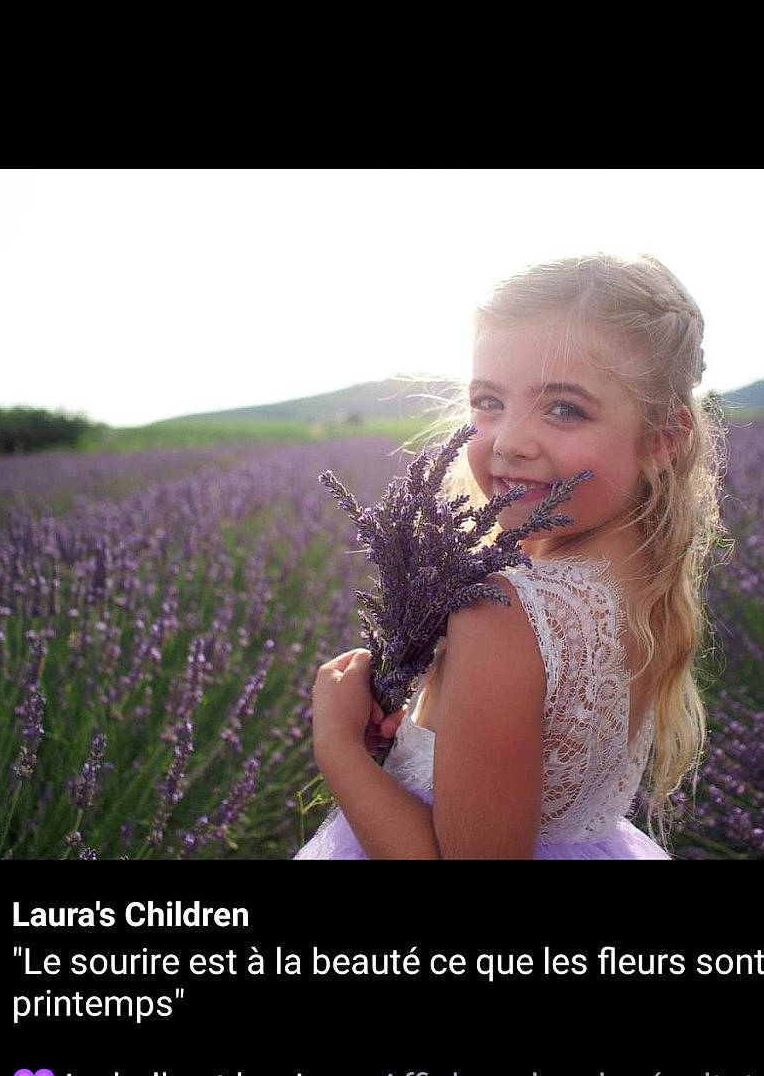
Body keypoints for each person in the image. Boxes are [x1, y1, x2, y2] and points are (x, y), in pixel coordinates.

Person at [295, 252, 728, 860]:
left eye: (564, 408)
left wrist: (337, 746)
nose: (508, 440)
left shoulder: (503, 611)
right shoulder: (640, 591)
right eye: (488, 402)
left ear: (663, 440)